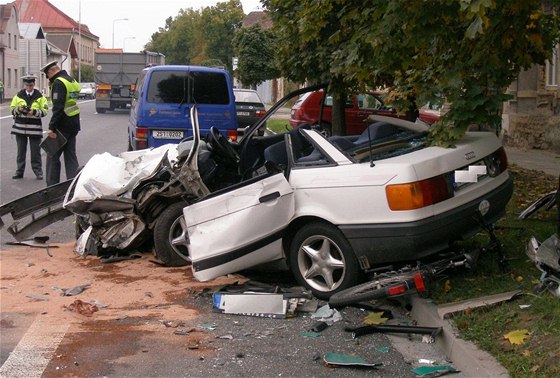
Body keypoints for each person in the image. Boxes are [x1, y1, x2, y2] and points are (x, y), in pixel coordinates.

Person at [40, 61, 81, 186]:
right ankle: (73, 185)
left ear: (51, 71)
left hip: (61, 125)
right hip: (73, 123)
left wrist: (52, 128)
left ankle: (52, 188)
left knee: (52, 155)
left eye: (48, 75)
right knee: (71, 157)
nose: (49, 79)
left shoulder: (59, 83)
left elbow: (58, 107)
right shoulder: (71, 81)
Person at [9, 74, 49, 179]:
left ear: (34, 84)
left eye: (31, 85)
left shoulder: (40, 97)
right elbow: (12, 110)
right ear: (24, 85)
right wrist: (19, 110)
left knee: (35, 153)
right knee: (20, 152)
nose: (29, 87)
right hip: (20, 128)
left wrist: (34, 112)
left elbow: (45, 111)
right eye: (27, 85)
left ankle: (38, 172)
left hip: (34, 129)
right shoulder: (18, 96)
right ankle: (19, 172)